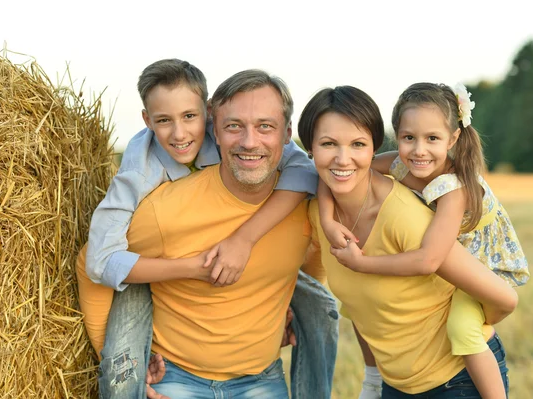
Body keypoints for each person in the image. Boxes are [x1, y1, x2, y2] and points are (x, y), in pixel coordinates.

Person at [76, 69, 338, 398]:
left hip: (262, 379)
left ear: (286, 134)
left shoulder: (302, 194)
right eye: (234, 126)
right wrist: (118, 364)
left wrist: (282, 299)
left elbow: (314, 246)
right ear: (217, 125)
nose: (249, 140)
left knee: (322, 308)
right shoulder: (150, 191)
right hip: (175, 377)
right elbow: (97, 260)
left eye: (265, 126)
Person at [298, 85, 519, 398]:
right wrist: (327, 220)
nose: (343, 157)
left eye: (357, 144)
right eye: (328, 144)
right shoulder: (393, 166)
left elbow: (432, 260)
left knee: (464, 331)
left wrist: (362, 264)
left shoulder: (445, 194)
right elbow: (331, 176)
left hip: (456, 377)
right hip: (398, 385)